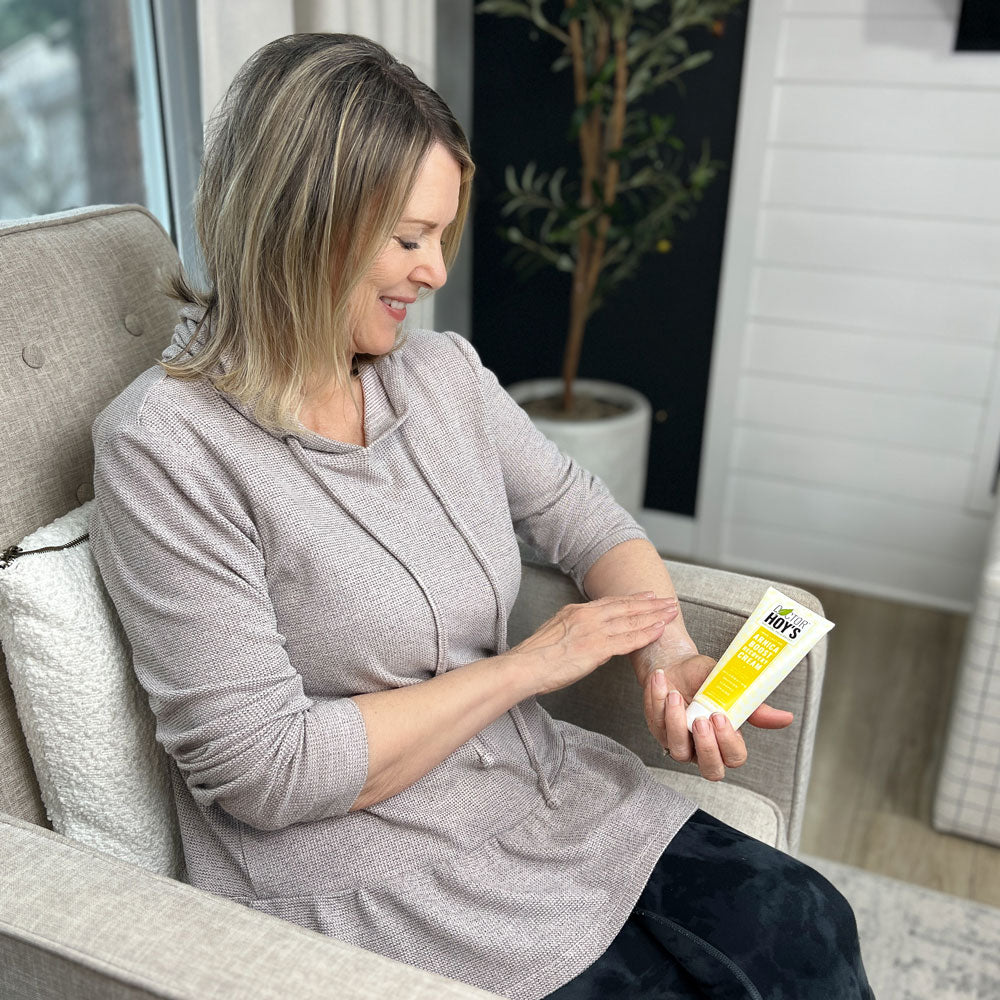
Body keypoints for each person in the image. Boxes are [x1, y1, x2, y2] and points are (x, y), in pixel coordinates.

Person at [89, 32, 874, 1000]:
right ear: (302, 219)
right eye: (409, 237)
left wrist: (667, 651)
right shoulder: (168, 446)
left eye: (440, 239)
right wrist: (530, 666)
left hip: (534, 788)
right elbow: (265, 771)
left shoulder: (442, 373)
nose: (431, 272)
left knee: (806, 923)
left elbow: (585, 519)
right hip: (362, 867)